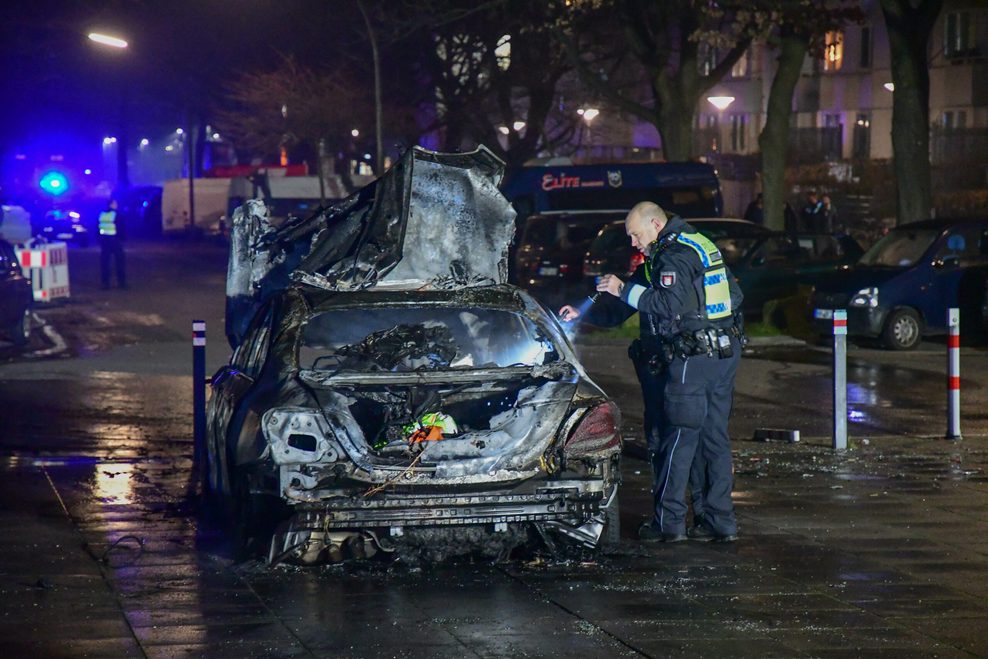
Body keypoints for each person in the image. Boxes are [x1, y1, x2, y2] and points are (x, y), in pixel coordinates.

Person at [563, 202, 744, 543]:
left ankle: (668, 525)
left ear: (656, 224)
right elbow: (733, 297)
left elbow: (667, 305)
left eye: (636, 233)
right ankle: (718, 522)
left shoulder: (672, 254)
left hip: (692, 358)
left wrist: (620, 288)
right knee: (714, 440)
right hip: (721, 353)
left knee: (677, 438)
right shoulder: (699, 244)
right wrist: (586, 312)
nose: (633, 242)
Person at [98, 199, 126, 289]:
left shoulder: (102, 214)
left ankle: (105, 284)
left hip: (104, 241)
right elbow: (121, 228)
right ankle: (121, 283)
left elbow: (97, 227)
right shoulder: (116, 214)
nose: (116, 205)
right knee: (120, 262)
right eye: (115, 203)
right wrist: (123, 238)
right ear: (111, 205)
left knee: (105, 263)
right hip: (115, 241)